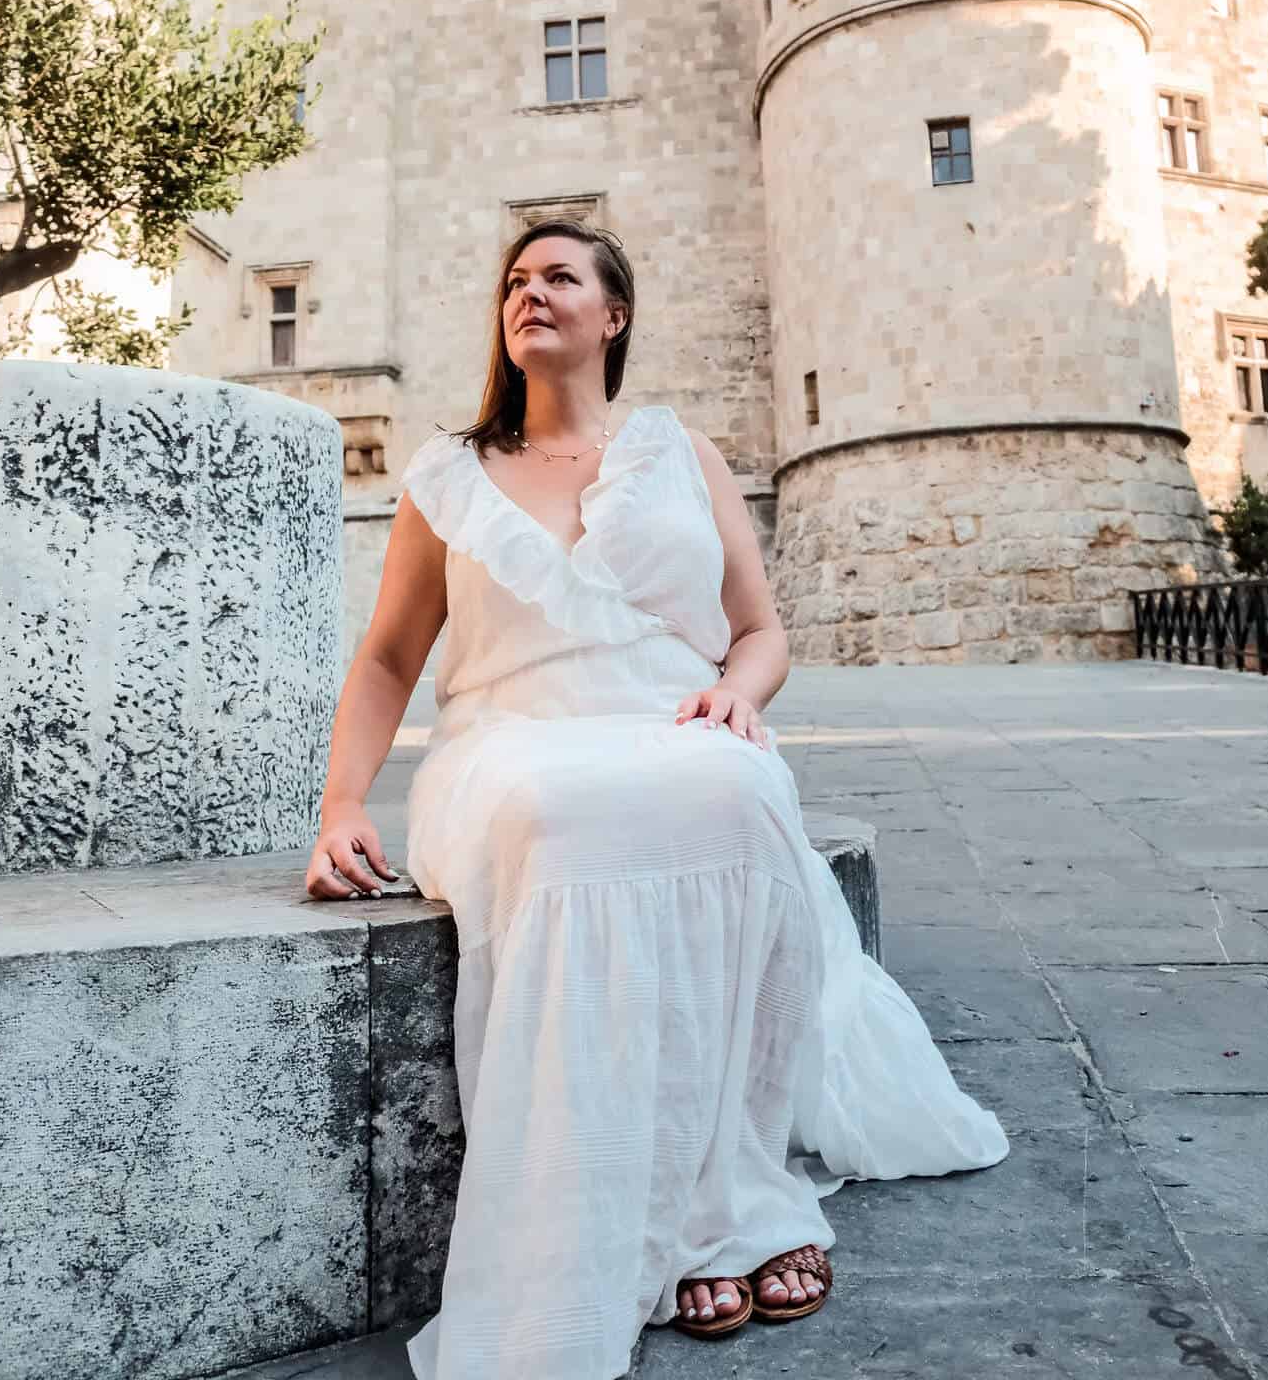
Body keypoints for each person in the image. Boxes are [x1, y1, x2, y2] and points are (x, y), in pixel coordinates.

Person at [305, 217, 1009, 1380]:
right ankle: (604, 1228)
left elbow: (760, 629)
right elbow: (387, 658)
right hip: (510, 740)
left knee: (738, 791)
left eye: (560, 276)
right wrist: (342, 805)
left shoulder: (684, 454)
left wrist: (738, 691)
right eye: (515, 280)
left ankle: (725, 1195)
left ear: (613, 314)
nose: (531, 292)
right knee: (559, 816)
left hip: (675, 720)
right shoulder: (446, 477)